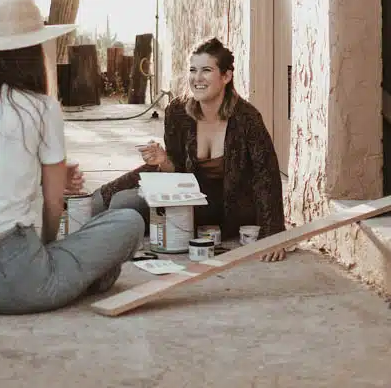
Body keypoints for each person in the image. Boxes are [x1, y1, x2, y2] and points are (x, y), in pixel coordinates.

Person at [0, 0, 144, 314]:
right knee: (128, 220)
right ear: (33, 51)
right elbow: (53, 205)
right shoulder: (41, 108)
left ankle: (74, 275)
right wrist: (49, 249)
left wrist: (45, 173)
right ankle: (76, 277)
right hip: (16, 280)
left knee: (84, 256)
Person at [92, 37, 287, 262]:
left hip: (227, 209)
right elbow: (176, 169)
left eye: (206, 70)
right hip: (184, 193)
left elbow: (267, 176)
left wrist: (273, 234)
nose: (197, 78)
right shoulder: (177, 112)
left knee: (124, 204)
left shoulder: (248, 119)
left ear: (226, 76)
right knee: (102, 199)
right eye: (193, 70)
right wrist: (163, 161)